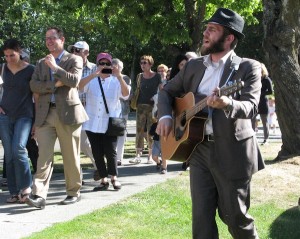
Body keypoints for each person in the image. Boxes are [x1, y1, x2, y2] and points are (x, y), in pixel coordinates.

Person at [157, 8, 264, 238]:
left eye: (212, 30)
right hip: (198, 149)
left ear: (229, 38)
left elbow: (251, 106)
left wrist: (227, 103)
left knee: (236, 218)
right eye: (206, 28)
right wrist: (166, 116)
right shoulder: (194, 66)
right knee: (201, 221)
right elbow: (167, 92)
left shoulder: (248, 67)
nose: (205, 33)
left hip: (232, 151)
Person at [26, 26, 88, 209]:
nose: (49, 41)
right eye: (47, 38)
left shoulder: (74, 59)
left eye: (52, 38)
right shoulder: (39, 63)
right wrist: (55, 84)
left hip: (68, 114)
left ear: (62, 39)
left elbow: (74, 81)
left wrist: (55, 67)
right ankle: (38, 195)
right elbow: (33, 86)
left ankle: (73, 192)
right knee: (43, 156)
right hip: (45, 114)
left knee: (70, 156)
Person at [79, 52, 130, 191]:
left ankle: (114, 177)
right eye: (101, 63)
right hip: (92, 122)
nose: (104, 66)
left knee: (111, 151)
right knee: (97, 152)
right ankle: (103, 179)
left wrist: (119, 76)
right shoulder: (91, 80)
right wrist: (93, 74)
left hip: (110, 123)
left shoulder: (116, 81)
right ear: (97, 65)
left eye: (107, 64)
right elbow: (79, 87)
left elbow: (126, 95)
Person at [0, 39, 34, 203]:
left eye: (11, 55)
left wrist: (37, 121)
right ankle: (13, 191)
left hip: (24, 116)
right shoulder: (2, 68)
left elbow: (37, 95)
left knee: (19, 148)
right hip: (4, 116)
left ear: (19, 52)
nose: (8, 59)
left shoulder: (31, 70)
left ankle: (26, 187)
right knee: (9, 154)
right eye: (6, 55)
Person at [67, 40, 99, 180]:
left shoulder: (94, 68)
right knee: (73, 145)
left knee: (85, 144)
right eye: (72, 50)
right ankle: (77, 178)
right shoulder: (69, 67)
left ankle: (99, 167)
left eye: (77, 50)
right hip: (72, 109)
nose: (73, 53)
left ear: (86, 53)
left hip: (89, 111)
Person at [129, 55, 161, 164]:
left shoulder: (157, 76)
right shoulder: (139, 76)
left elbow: (161, 90)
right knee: (139, 130)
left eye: (145, 63)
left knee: (150, 130)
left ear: (150, 64)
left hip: (153, 107)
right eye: (141, 63)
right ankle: (138, 154)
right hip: (140, 105)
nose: (142, 65)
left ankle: (150, 156)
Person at [111, 58, 131, 166]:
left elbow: (125, 95)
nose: (113, 68)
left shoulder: (125, 78)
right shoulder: (107, 77)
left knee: (120, 134)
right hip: (110, 111)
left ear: (120, 68)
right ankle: (112, 156)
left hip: (122, 111)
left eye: (116, 66)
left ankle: (119, 158)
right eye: (112, 65)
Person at [257, 63, 273, 145]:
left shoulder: (267, 80)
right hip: (255, 102)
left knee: (264, 121)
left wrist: (261, 93)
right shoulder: (255, 79)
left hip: (263, 101)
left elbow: (270, 91)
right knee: (252, 121)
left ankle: (266, 139)